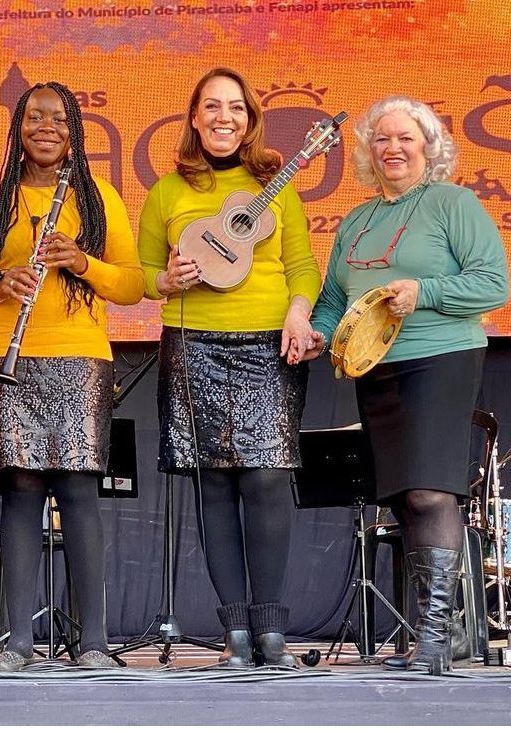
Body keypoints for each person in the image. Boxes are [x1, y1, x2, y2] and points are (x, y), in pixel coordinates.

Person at [0, 82, 144, 671]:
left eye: (57, 117)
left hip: (79, 353)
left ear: (74, 127)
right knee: (18, 491)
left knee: (78, 491)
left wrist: (82, 261)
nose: (45, 126)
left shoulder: (98, 197)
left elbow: (131, 285)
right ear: (17, 127)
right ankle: (15, 643)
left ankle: (94, 643)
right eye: (33, 116)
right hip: (4, 353)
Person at [304, 95, 510, 674]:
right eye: (381, 139)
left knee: (430, 492)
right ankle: (430, 637)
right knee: (401, 499)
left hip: (442, 355)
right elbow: (332, 300)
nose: (392, 148)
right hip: (374, 366)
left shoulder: (453, 203)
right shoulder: (356, 219)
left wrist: (426, 293)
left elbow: (493, 285)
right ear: (369, 152)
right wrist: (316, 335)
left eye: (405, 139)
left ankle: (438, 638)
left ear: (428, 148)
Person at [136, 67, 321, 668]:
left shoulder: (276, 185)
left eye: (236, 107)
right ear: (194, 117)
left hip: (269, 342)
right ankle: (235, 633)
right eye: (212, 106)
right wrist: (167, 279)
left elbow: (302, 263)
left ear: (250, 119)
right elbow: (142, 274)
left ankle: (271, 628)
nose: (224, 117)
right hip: (194, 343)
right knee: (212, 483)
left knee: (267, 480)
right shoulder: (167, 190)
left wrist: (298, 313)